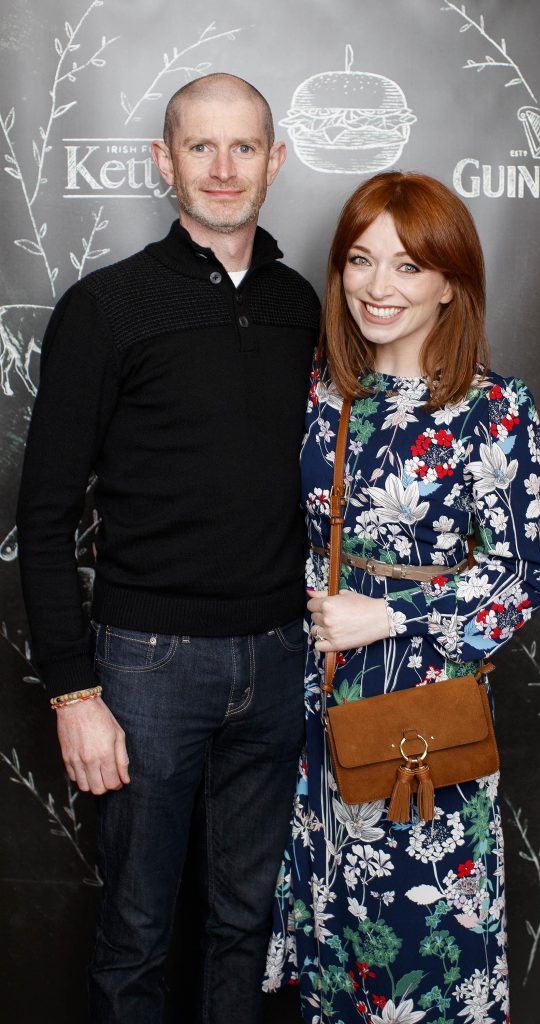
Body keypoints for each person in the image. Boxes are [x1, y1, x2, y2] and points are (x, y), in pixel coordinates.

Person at [16, 74, 320, 1023]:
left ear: (275, 163)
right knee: (139, 931)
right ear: (164, 160)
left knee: (245, 925)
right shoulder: (106, 307)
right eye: (200, 147)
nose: (222, 169)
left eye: (243, 149)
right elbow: (45, 513)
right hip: (147, 668)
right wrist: (74, 693)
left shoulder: (300, 306)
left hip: (278, 663)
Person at [265, 172, 540, 1022]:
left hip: (417, 709)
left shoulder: (492, 409)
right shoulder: (320, 396)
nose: (377, 288)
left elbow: (517, 577)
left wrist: (387, 613)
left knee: (420, 934)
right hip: (307, 701)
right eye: (360, 260)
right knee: (328, 928)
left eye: (406, 267)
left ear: (449, 283)